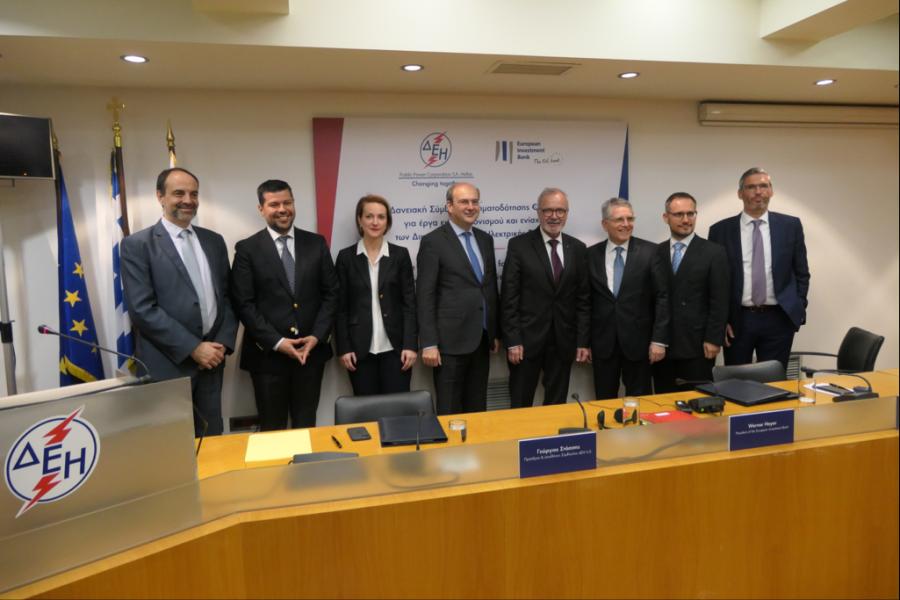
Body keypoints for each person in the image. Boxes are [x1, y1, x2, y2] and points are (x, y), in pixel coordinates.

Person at [120, 167, 237, 436]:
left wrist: (222, 344)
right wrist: (193, 348)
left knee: (212, 440)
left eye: (194, 194)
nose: (188, 200)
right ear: (160, 196)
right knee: (171, 443)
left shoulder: (214, 241)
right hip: (167, 365)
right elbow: (142, 309)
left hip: (212, 363)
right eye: (179, 193)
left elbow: (228, 298)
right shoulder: (138, 245)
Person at [230, 179, 338, 430]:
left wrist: (317, 336)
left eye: (287, 202)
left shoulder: (316, 243)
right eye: (274, 204)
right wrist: (278, 342)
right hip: (267, 357)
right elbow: (244, 303)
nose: (282, 209)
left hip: (310, 355)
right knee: (273, 430)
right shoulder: (247, 249)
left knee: (306, 425)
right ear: (261, 209)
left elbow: (332, 293)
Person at [708, 168, 810, 369]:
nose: (758, 192)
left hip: (779, 318)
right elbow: (715, 281)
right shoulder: (720, 231)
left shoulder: (790, 226)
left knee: (774, 380)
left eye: (764, 186)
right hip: (738, 320)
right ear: (740, 193)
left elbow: (801, 272)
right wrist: (721, 321)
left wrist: (797, 307)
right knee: (737, 379)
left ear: (771, 191)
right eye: (751, 187)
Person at [501, 188, 590, 408]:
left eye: (560, 210)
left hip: (563, 342)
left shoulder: (578, 248)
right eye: (548, 210)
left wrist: (582, 341)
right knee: (521, 403)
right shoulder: (519, 245)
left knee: (556, 405)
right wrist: (513, 340)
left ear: (567, 213)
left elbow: (583, 299)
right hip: (526, 342)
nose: (554, 216)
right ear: (539, 212)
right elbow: (509, 297)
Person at [417, 182, 500, 414]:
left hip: (481, 341)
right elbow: (425, 295)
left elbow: (489, 288)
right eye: (464, 201)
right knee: (449, 410)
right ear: (450, 206)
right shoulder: (433, 241)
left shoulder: (485, 239)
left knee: (477, 408)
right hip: (448, 344)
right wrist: (429, 343)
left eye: (475, 201)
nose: (471, 206)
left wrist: (494, 331)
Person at [586, 197, 669, 399]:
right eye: (619, 220)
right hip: (603, 344)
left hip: (640, 344)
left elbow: (663, 297)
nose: (626, 224)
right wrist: (584, 341)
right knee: (604, 400)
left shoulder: (652, 252)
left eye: (630, 219)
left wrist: (659, 340)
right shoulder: (590, 255)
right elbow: (585, 301)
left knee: (640, 401)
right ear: (605, 224)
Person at [335, 195, 417, 395]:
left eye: (381, 217)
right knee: (366, 409)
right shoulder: (346, 257)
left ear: (387, 222)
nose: (375, 222)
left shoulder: (400, 255)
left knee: (397, 408)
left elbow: (409, 304)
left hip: (396, 350)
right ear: (359, 220)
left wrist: (410, 345)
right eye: (369, 216)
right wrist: (344, 348)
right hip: (359, 351)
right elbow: (340, 308)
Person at [653, 192, 730, 392]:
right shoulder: (656, 252)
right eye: (679, 214)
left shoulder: (714, 252)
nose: (686, 220)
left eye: (691, 214)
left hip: (698, 345)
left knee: (698, 401)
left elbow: (720, 300)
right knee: (663, 400)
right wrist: (655, 340)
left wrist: (713, 339)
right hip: (663, 345)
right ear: (666, 217)